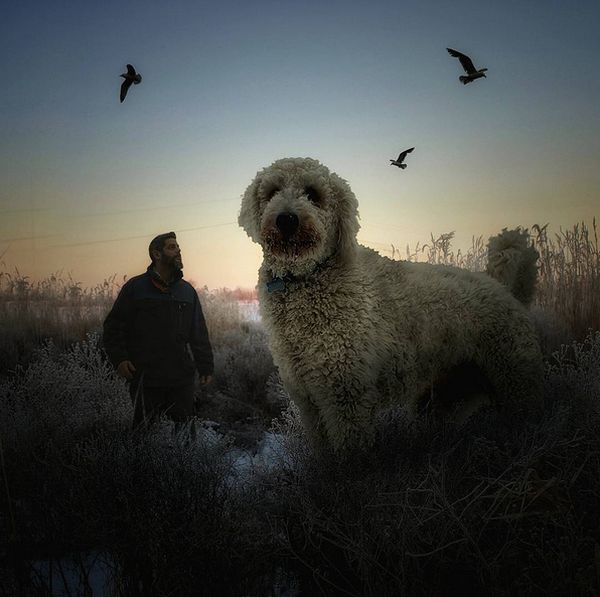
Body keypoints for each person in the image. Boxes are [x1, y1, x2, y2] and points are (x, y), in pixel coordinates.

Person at [103, 232, 214, 428]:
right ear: (157, 254)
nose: (178, 250)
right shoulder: (136, 288)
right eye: (172, 247)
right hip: (146, 377)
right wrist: (120, 359)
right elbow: (114, 326)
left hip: (180, 378)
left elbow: (198, 332)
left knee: (184, 435)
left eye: (178, 247)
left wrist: (205, 366)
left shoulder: (187, 291)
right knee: (144, 435)